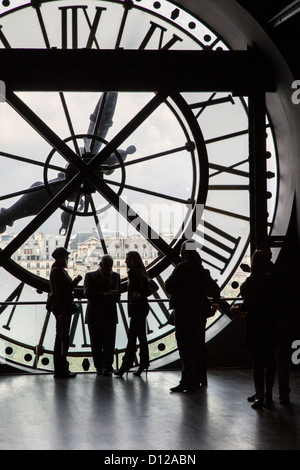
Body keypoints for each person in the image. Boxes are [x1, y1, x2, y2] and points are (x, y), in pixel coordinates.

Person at [165, 240, 220, 392]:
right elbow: (215, 290)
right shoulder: (202, 270)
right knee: (198, 345)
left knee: (185, 347)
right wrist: (214, 306)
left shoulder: (181, 268)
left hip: (183, 313)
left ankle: (187, 380)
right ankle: (200, 377)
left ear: (184, 252)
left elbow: (168, 286)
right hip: (199, 313)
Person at [237, 250, 283, 409]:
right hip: (271, 327)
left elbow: (247, 304)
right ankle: (269, 395)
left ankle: (260, 394)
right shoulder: (276, 282)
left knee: (257, 363)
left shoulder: (251, 283)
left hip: (255, 327)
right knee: (270, 361)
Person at [84, 255, 121, 376]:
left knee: (96, 343)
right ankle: (107, 366)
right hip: (110, 314)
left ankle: (99, 367)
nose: (109, 268)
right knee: (109, 343)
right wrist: (110, 295)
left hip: (94, 314)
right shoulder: (116, 276)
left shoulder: (90, 276)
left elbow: (88, 293)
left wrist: (104, 295)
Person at [114, 251, 150, 377]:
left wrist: (137, 295)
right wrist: (140, 294)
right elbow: (145, 282)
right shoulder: (139, 270)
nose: (125, 262)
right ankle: (142, 363)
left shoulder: (134, 272)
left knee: (132, 338)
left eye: (128, 259)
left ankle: (127, 364)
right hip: (141, 308)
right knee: (140, 337)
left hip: (137, 308)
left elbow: (143, 282)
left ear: (133, 260)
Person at [49, 247, 82, 378]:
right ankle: (62, 368)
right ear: (61, 258)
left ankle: (60, 369)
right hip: (63, 310)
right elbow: (65, 291)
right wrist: (77, 280)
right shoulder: (60, 272)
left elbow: (59, 292)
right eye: (66, 258)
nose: (67, 260)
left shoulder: (55, 271)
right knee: (62, 339)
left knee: (60, 339)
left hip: (60, 309)